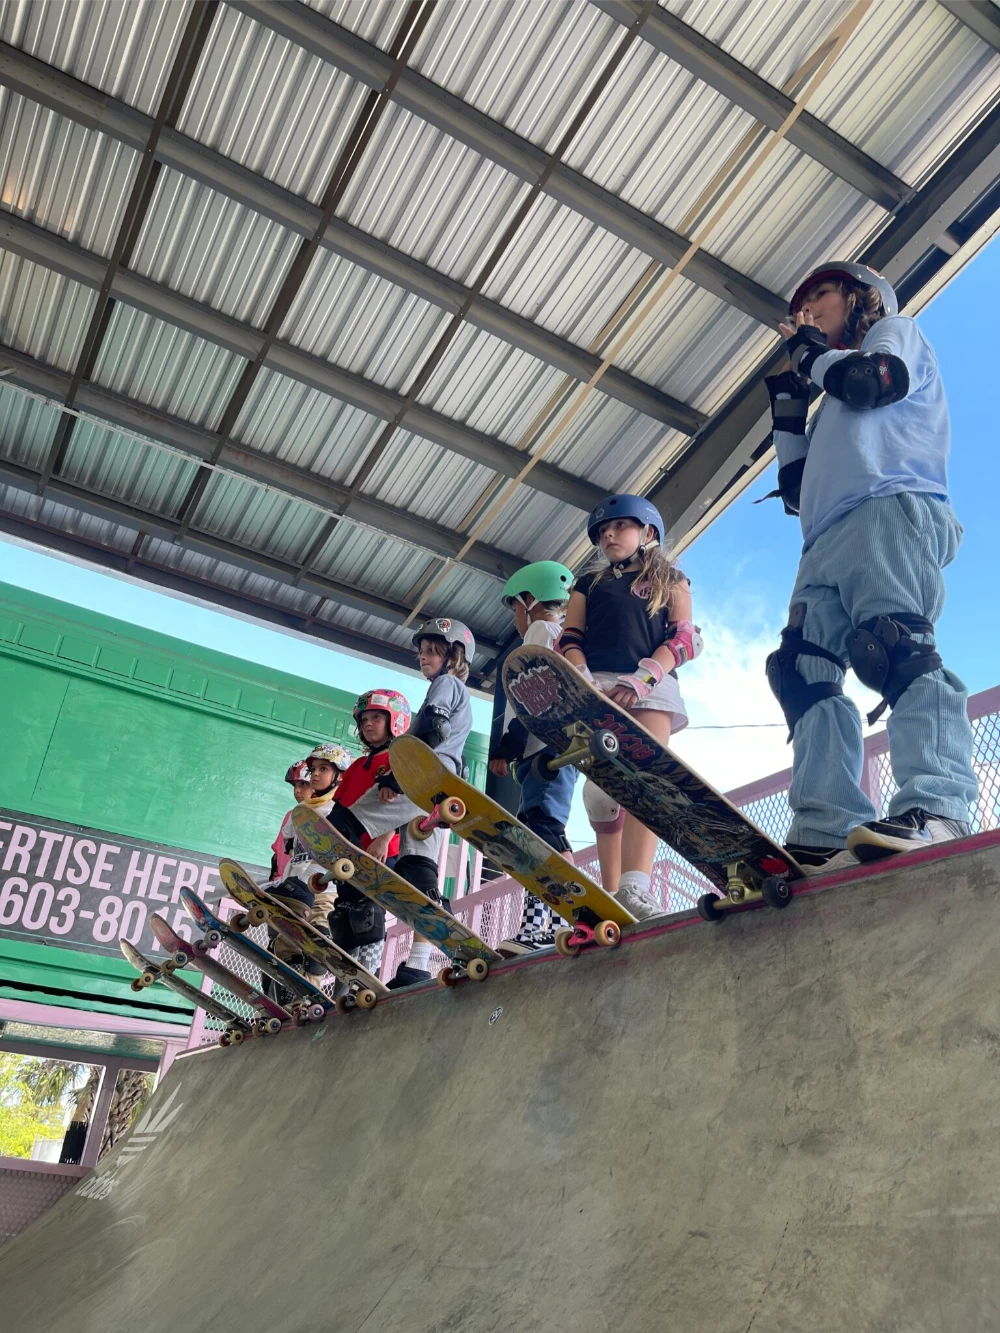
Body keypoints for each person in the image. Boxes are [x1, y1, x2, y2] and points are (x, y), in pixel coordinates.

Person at [765, 260, 976, 872]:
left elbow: (874, 381)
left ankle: (940, 805)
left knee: (896, 649)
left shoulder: (895, 332)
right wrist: (787, 416)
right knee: (804, 675)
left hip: (891, 506)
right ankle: (826, 825)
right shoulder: (829, 396)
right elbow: (799, 491)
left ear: (865, 299)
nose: (806, 310)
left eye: (820, 295)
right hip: (824, 534)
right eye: (801, 304)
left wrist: (806, 357)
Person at [558, 494, 702, 919]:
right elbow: (570, 638)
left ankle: (636, 887)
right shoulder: (587, 585)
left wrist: (641, 681)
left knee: (647, 780)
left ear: (648, 532)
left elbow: (684, 638)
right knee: (602, 796)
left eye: (620, 526)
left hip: (651, 687)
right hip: (596, 687)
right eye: (604, 530)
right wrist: (583, 681)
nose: (608, 534)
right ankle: (611, 893)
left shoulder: (672, 579)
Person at [323, 619, 476, 988]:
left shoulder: (447, 684)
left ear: (453, 655)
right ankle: (418, 965)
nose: (423, 658)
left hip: (422, 775)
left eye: (432, 651)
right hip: (441, 789)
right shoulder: (462, 696)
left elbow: (434, 730)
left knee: (347, 821)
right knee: (417, 867)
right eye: (421, 652)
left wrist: (397, 773)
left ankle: (336, 845)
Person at [489, 561, 577, 954]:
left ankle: (538, 926)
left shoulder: (543, 630)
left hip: (543, 750)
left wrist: (507, 747)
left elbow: (532, 692)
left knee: (539, 836)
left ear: (531, 600)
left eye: (514, 609)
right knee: (545, 831)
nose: (514, 620)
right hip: (545, 752)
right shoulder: (563, 635)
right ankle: (558, 919)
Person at [323, 689, 412, 990]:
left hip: (378, 850)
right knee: (344, 915)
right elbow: (341, 808)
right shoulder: (359, 765)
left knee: (368, 914)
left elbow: (397, 806)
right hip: (350, 851)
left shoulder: (395, 760)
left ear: (395, 721)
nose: (369, 724)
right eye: (365, 720)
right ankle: (343, 983)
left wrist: (384, 840)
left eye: (376, 718)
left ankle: (366, 977)